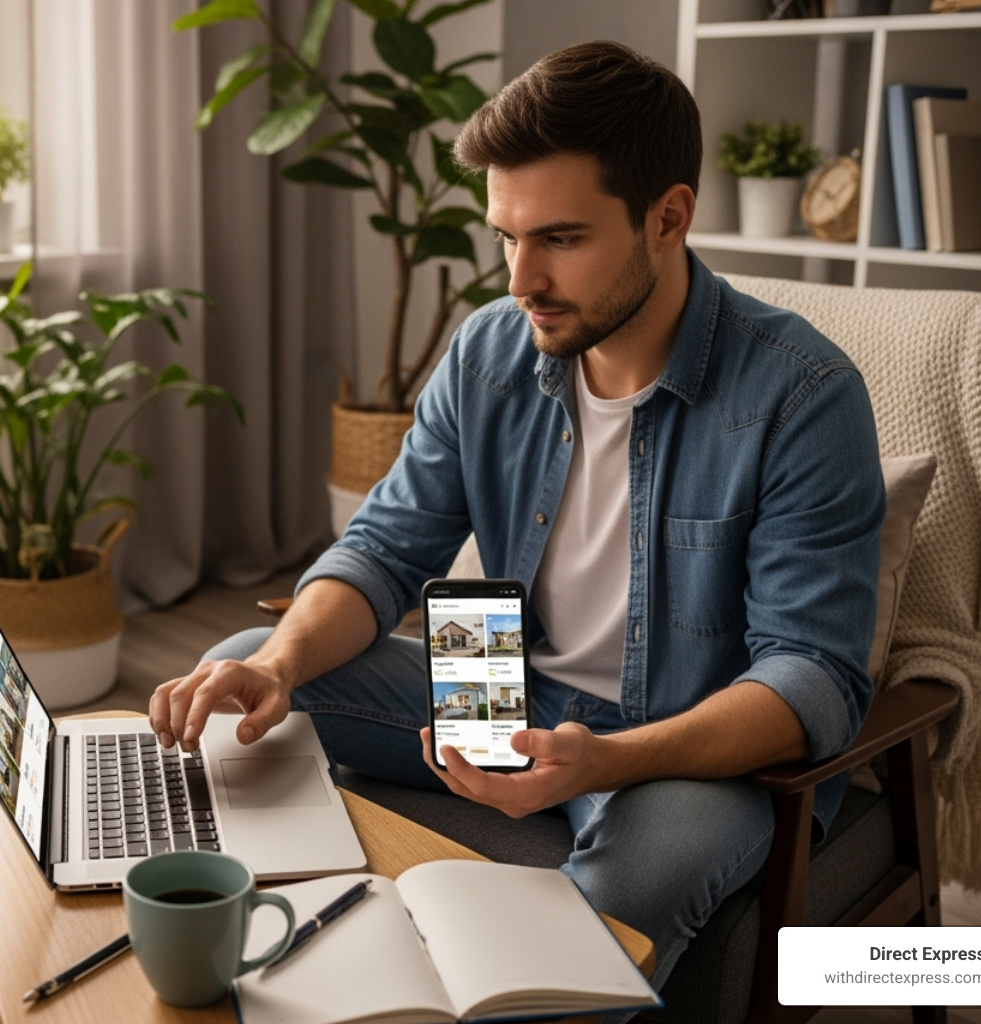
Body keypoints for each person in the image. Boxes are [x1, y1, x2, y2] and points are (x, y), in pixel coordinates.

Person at [150, 40, 885, 1002]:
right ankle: (307, 969)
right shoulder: (491, 353)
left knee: (628, 887)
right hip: (505, 690)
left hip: (683, 752)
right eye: (507, 234)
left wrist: (610, 759)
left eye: (561, 239)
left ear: (668, 218)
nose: (517, 278)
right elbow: (383, 548)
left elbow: (810, 677)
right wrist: (280, 665)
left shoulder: (804, 395)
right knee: (248, 664)